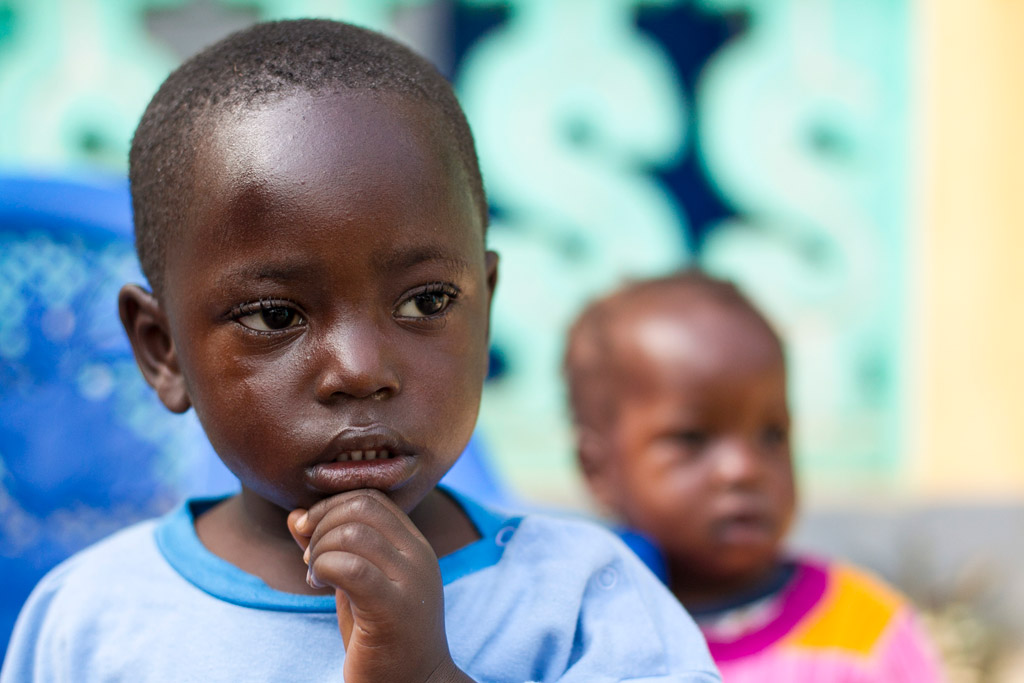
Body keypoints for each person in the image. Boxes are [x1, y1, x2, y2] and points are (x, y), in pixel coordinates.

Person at [0, 20, 720, 683]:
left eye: (427, 302)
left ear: (486, 305)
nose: (362, 369)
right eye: (275, 315)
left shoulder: (583, 601)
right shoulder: (92, 621)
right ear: (163, 351)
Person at [564, 270, 945, 682]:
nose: (742, 468)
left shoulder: (866, 633)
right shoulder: (578, 638)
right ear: (597, 469)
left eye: (771, 435)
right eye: (692, 439)